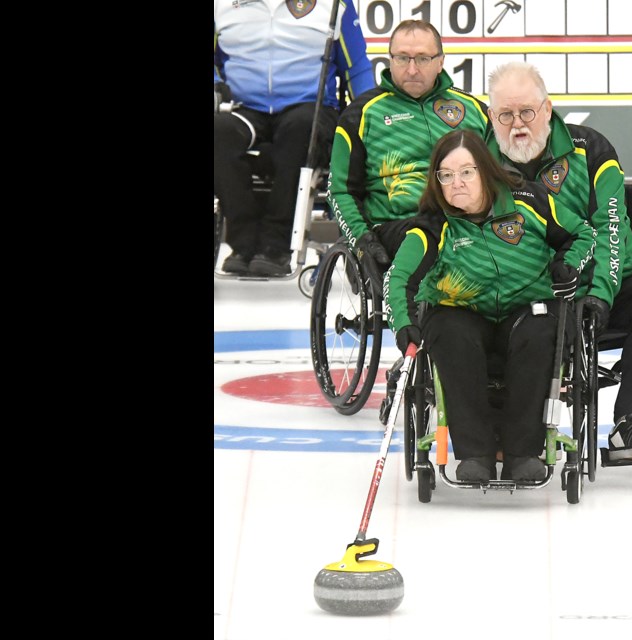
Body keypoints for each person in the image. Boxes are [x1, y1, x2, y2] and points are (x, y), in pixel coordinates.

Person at [485, 61, 632, 463]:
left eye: (526, 112)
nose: (517, 124)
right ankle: (505, 426)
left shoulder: (591, 149)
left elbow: (610, 232)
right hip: (526, 288)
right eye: (505, 115)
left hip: (602, 278)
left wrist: (600, 296)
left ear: (547, 109)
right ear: (491, 117)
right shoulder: (476, 158)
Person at [383, 129, 597, 483]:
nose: (457, 184)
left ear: (485, 170)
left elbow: (583, 234)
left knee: (542, 328)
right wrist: (403, 324)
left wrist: (568, 264)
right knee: (450, 333)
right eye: (446, 176)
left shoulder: (529, 201)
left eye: (467, 172)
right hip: (461, 314)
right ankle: (475, 455)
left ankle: (523, 453)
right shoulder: (432, 226)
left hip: (527, 308)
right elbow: (398, 278)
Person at [327, 19, 490, 295]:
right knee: (435, 227)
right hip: (395, 229)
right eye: (402, 58)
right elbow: (340, 190)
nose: (412, 69)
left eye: (423, 59)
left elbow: (500, 177)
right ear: (390, 60)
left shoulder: (474, 110)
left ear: (440, 62)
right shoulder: (361, 114)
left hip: (466, 222)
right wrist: (362, 241)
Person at [214, 0, 375, 276]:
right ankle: (243, 245)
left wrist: (372, 116)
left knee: (301, 130)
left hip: (309, 107)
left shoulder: (334, 5)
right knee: (219, 131)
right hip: (245, 108)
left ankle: (276, 246)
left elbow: (357, 67)